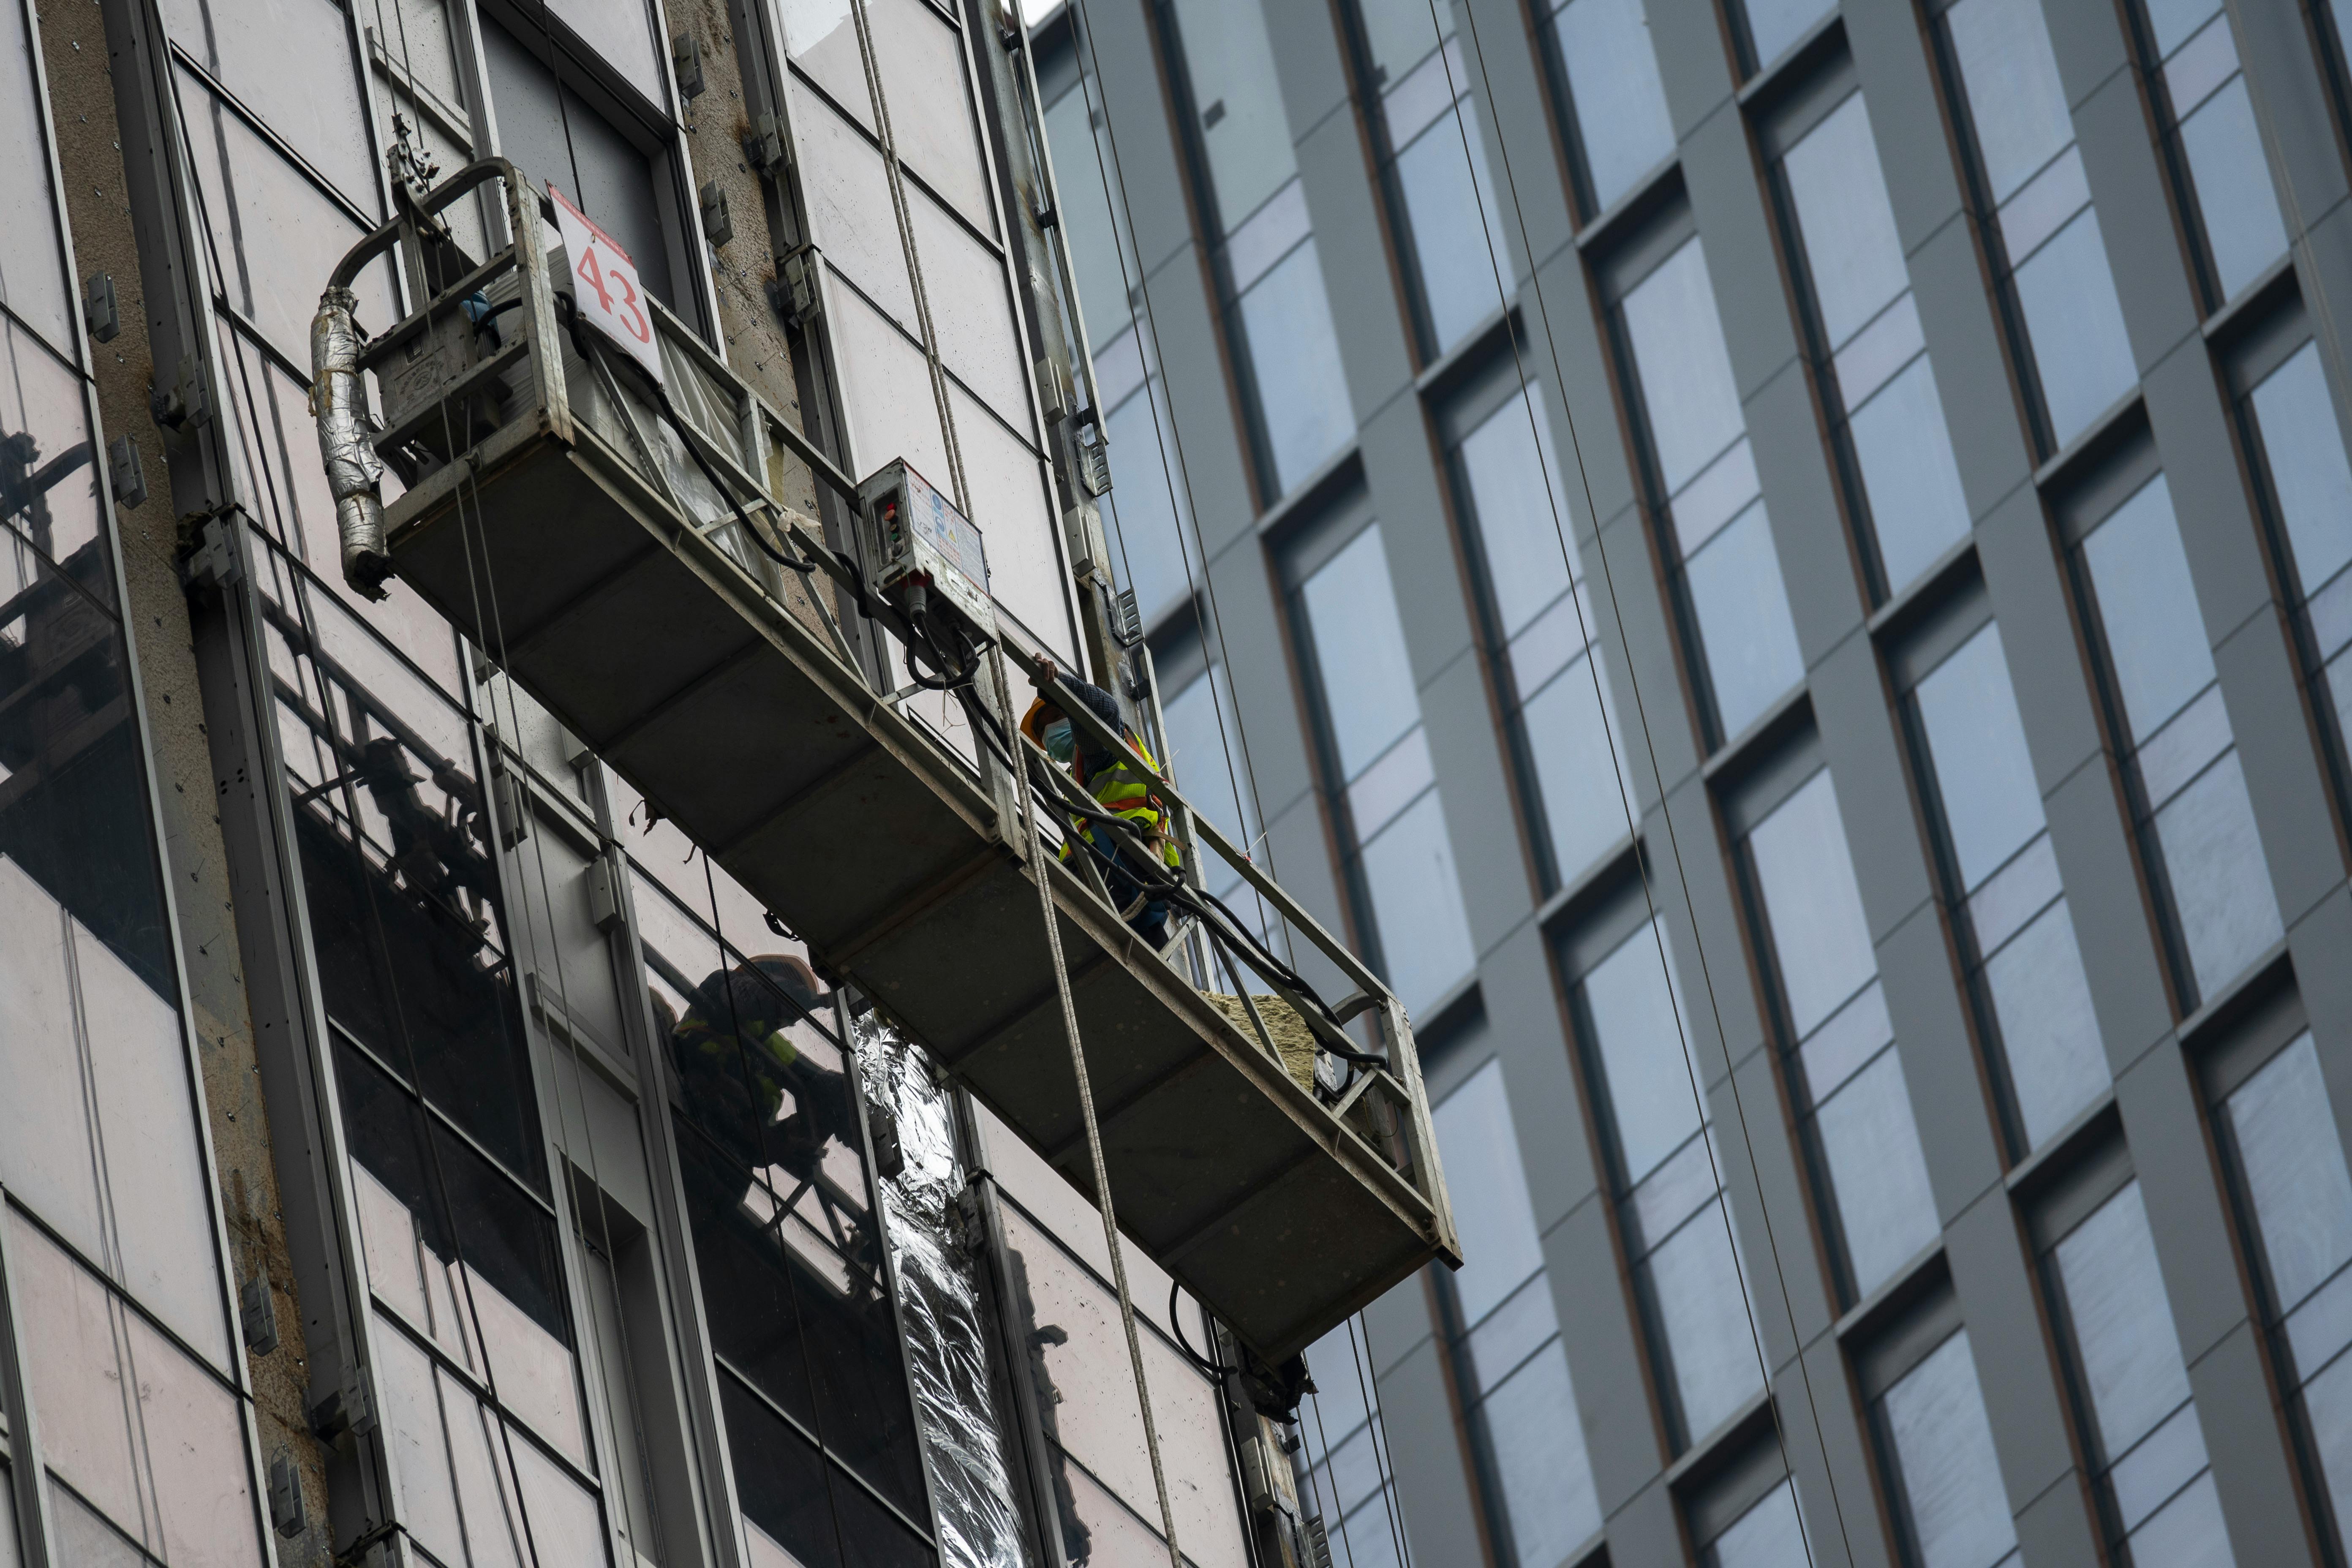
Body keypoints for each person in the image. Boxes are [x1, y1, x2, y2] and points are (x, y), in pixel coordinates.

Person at [667, 954, 858, 1226]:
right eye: (795, 1013)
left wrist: (853, 1111)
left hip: (723, 1170)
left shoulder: (772, 1046)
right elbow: (752, 999)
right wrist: (818, 1002)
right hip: (682, 1112)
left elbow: (816, 1080)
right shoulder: (720, 986)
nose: (792, 1022)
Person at [1021, 662, 1181, 947]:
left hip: (1117, 862)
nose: (1050, 732)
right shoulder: (1077, 776)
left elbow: (1105, 711)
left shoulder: (1101, 752)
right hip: (1112, 867)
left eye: (1057, 715)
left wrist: (1061, 687)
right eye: (1044, 730)